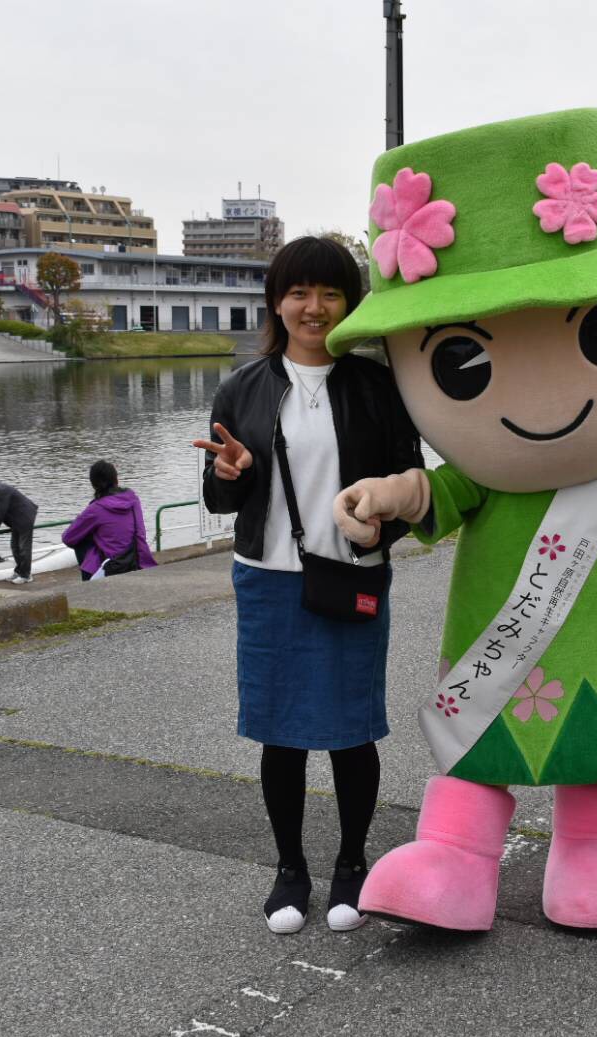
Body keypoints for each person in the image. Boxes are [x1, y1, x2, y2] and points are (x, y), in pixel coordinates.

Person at [194, 236, 423, 935]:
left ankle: (351, 863)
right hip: (268, 582)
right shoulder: (244, 386)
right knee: (281, 733)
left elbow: (411, 491)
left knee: (351, 730)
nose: (313, 306)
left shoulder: (377, 387)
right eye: (298, 292)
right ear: (276, 301)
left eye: (329, 292)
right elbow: (218, 500)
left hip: (352, 577)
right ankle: (290, 866)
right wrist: (228, 473)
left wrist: (378, 533)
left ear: (349, 303)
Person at [60, 460, 157, 581]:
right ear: (116, 480)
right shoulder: (133, 500)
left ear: (94, 485)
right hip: (140, 561)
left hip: (112, 567)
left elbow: (68, 538)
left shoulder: (96, 509)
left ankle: (89, 583)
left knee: (82, 540)